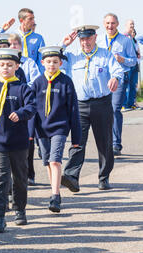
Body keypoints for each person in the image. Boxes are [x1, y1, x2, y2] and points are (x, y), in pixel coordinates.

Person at [60, 25, 123, 193]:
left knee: (104, 142)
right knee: (77, 142)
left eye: (88, 38)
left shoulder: (105, 54)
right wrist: (64, 45)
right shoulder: (72, 57)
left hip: (101, 103)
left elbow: (117, 69)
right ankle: (71, 177)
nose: (85, 42)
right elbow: (54, 61)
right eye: (81, 39)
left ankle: (104, 177)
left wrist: (115, 78)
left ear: (95, 37)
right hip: (79, 105)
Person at [0, 48, 36, 232]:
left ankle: (20, 209)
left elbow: (32, 106)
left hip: (19, 143)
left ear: (17, 66)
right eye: (2, 65)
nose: (6, 68)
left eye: (10, 65)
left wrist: (21, 113)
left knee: (20, 178)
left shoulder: (23, 88)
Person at [30, 46, 81, 213]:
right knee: (47, 162)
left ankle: (55, 195)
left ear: (60, 63)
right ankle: (55, 188)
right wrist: (30, 133)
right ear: (43, 62)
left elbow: (73, 109)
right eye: (48, 62)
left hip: (59, 127)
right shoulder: (37, 82)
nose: (52, 65)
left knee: (55, 160)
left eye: (55, 62)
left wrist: (76, 138)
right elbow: (32, 109)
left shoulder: (66, 81)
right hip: (41, 129)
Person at [97, 13, 137, 157]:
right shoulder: (99, 39)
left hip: (119, 78)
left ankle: (116, 144)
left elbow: (134, 61)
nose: (110, 26)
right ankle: (104, 143)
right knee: (101, 111)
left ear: (118, 24)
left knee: (114, 109)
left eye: (113, 23)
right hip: (102, 78)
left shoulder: (125, 41)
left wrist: (122, 59)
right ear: (103, 24)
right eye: (107, 23)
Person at [8, 33, 41, 186]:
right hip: (8, 105)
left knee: (28, 139)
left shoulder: (28, 63)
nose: (13, 47)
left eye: (15, 44)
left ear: (20, 46)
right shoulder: (3, 63)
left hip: (25, 103)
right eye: (10, 44)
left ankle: (30, 173)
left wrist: (21, 90)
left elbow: (34, 81)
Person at [0, 8, 46, 73]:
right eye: (30, 19)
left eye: (33, 18)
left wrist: (40, 78)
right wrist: (2, 30)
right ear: (22, 20)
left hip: (31, 72)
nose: (33, 22)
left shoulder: (38, 38)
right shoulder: (11, 35)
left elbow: (41, 60)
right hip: (13, 72)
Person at [123, 20, 140, 111]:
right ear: (126, 25)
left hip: (135, 64)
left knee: (133, 85)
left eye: (133, 23)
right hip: (127, 65)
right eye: (130, 24)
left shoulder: (132, 38)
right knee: (126, 85)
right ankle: (124, 105)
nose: (132, 25)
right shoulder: (123, 37)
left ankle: (130, 104)